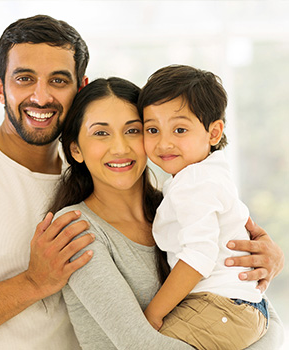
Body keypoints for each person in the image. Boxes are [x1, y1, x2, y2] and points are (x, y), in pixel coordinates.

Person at [50, 77, 284, 350]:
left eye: (133, 130)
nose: (120, 148)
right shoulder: (76, 229)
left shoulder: (178, 207)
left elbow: (263, 318)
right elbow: (139, 342)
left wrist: (269, 260)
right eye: (101, 133)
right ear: (75, 149)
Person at [0, 15, 95, 349]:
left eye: (58, 80)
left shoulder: (93, 171)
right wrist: (34, 282)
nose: (41, 97)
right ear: (0, 87)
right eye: (25, 79)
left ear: (80, 89)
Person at [138, 64, 272, 349]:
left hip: (222, 307)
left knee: (142, 343)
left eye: (180, 129)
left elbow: (199, 256)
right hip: (240, 306)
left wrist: (152, 314)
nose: (164, 142)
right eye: (152, 129)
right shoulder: (209, 172)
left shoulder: (193, 182)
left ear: (214, 133)